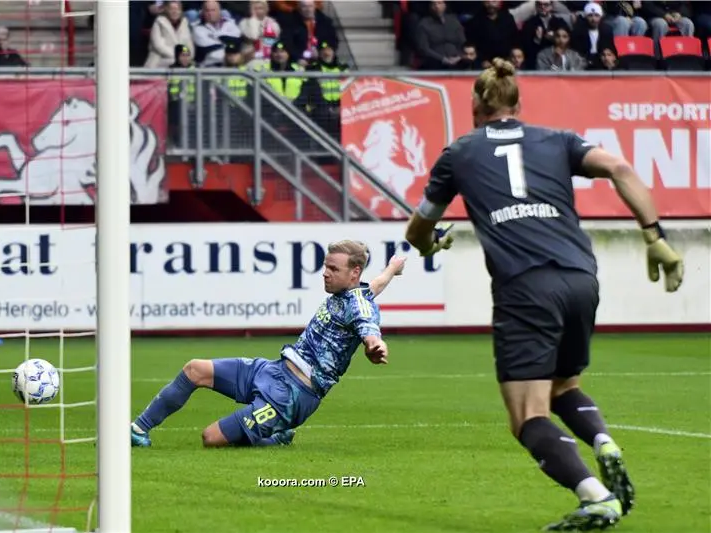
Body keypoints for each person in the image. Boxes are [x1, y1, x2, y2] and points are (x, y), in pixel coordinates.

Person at [404, 58, 683, 531]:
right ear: (518, 103)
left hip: (526, 286)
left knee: (525, 416)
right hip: (580, 279)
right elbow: (617, 166)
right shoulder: (558, 140)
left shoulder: (459, 152)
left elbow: (419, 229)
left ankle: (594, 496)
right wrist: (654, 235)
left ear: (474, 104)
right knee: (562, 388)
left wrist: (431, 243)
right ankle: (602, 443)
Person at [131, 242, 406, 448]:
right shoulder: (355, 291)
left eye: (333, 269)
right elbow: (376, 285)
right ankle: (138, 430)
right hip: (274, 370)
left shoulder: (361, 306)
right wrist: (393, 268)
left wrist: (374, 345)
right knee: (195, 369)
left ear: (354, 272)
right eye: (325, 266)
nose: (325, 273)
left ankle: (275, 438)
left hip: (292, 396)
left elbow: (369, 329)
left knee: (210, 438)